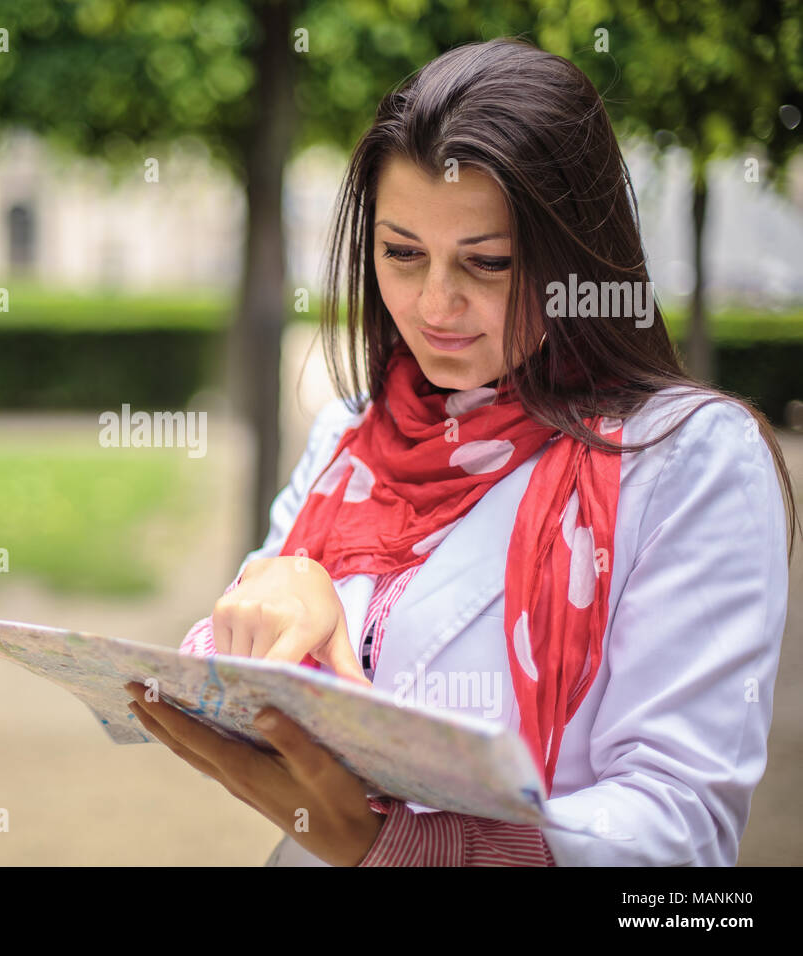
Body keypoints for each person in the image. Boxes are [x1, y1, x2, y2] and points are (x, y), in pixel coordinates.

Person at [123, 37, 797, 867]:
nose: (436, 304)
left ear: (577, 257)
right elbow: (230, 669)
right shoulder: (351, 433)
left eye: (489, 263)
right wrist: (274, 591)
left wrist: (409, 847)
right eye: (402, 254)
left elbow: (679, 830)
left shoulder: (689, 459)